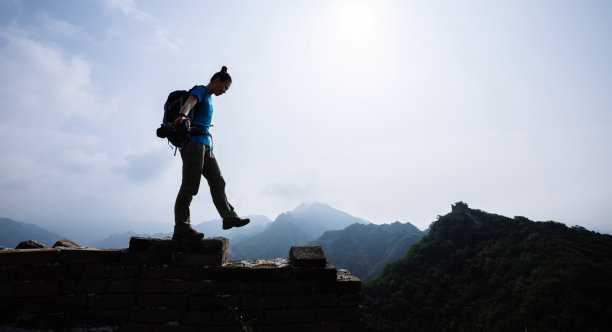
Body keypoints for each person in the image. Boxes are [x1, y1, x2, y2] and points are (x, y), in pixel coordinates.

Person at [172, 66, 250, 241]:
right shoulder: (200, 90)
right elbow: (190, 102)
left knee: (217, 180)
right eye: (225, 87)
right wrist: (182, 115)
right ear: (217, 81)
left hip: (206, 146)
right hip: (193, 144)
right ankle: (181, 227)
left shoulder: (209, 99)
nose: (224, 91)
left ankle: (229, 217)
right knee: (190, 186)